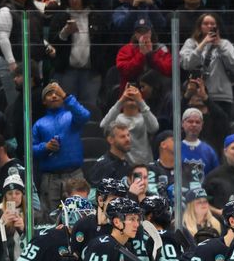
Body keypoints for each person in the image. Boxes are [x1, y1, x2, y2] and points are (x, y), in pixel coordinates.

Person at [31, 82, 91, 221]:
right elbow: (30, 150)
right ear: (43, 101)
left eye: (57, 93)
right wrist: (45, 147)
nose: (53, 95)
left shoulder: (72, 116)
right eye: (49, 93)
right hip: (50, 178)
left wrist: (66, 96)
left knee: (80, 214)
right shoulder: (39, 124)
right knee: (51, 216)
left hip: (75, 174)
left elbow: (85, 115)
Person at [49, 0, 111, 106]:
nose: (74, 0)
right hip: (67, 72)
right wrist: (64, 33)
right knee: (68, 108)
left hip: (91, 72)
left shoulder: (96, 16)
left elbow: (105, 42)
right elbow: (52, 41)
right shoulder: (60, 16)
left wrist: (101, 62)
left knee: (89, 109)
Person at [180, 13, 234, 117]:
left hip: (221, 96)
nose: (209, 26)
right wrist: (203, 43)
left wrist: (219, 45)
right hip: (196, 97)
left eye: (212, 24)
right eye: (206, 23)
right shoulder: (191, 43)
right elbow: (187, 64)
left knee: (221, 126)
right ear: (200, 27)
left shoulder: (225, 44)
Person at [0, 0, 47, 107]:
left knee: (35, 104)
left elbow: (36, 36)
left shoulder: (33, 11)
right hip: (14, 64)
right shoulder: (5, 11)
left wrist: (47, 46)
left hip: (34, 64)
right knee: (16, 104)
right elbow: (3, 39)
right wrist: (11, 62)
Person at [100, 82, 159, 165]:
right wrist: (121, 100)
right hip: (122, 164)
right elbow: (103, 125)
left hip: (144, 164)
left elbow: (154, 128)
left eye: (134, 96)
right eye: (128, 96)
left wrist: (140, 101)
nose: (131, 98)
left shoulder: (145, 117)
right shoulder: (116, 119)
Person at [116, 18, 173, 91]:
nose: (143, 35)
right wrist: (141, 54)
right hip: (132, 90)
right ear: (135, 34)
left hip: (158, 90)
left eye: (145, 32)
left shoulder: (161, 49)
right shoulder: (126, 49)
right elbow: (125, 72)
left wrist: (151, 55)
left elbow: (169, 70)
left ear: (151, 32)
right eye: (139, 32)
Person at [180, 107, 219, 190]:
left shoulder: (209, 151)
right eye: (190, 121)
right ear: (183, 123)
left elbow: (216, 176)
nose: (194, 125)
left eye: (197, 122)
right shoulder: (175, 148)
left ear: (202, 125)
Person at [87, 122, 132, 186]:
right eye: (122, 137)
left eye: (128, 135)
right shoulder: (103, 166)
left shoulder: (126, 162)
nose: (128, 139)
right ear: (111, 140)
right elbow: (96, 193)